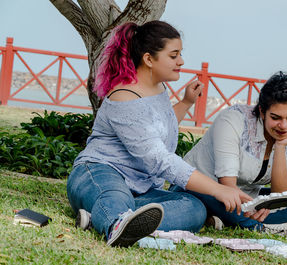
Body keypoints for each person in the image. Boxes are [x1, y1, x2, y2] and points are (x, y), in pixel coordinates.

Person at [67, 20, 252, 248]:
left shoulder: (158, 88)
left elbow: (157, 128)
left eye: (180, 54)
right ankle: (115, 222)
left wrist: (186, 102)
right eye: (173, 55)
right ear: (148, 59)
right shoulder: (124, 96)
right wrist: (218, 189)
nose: (181, 61)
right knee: (114, 194)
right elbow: (159, 159)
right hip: (100, 172)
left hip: (140, 189)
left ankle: (105, 218)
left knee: (194, 208)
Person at [170, 72, 287, 237]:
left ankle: (223, 220)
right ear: (262, 111)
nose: (283, 126)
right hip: (204, 189)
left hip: (246, 199)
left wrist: (281, 146)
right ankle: (259, 228)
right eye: (275, 118)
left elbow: (281, 193)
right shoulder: (233, 121)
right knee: (216, 199)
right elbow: (227, 185)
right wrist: (253, 208)